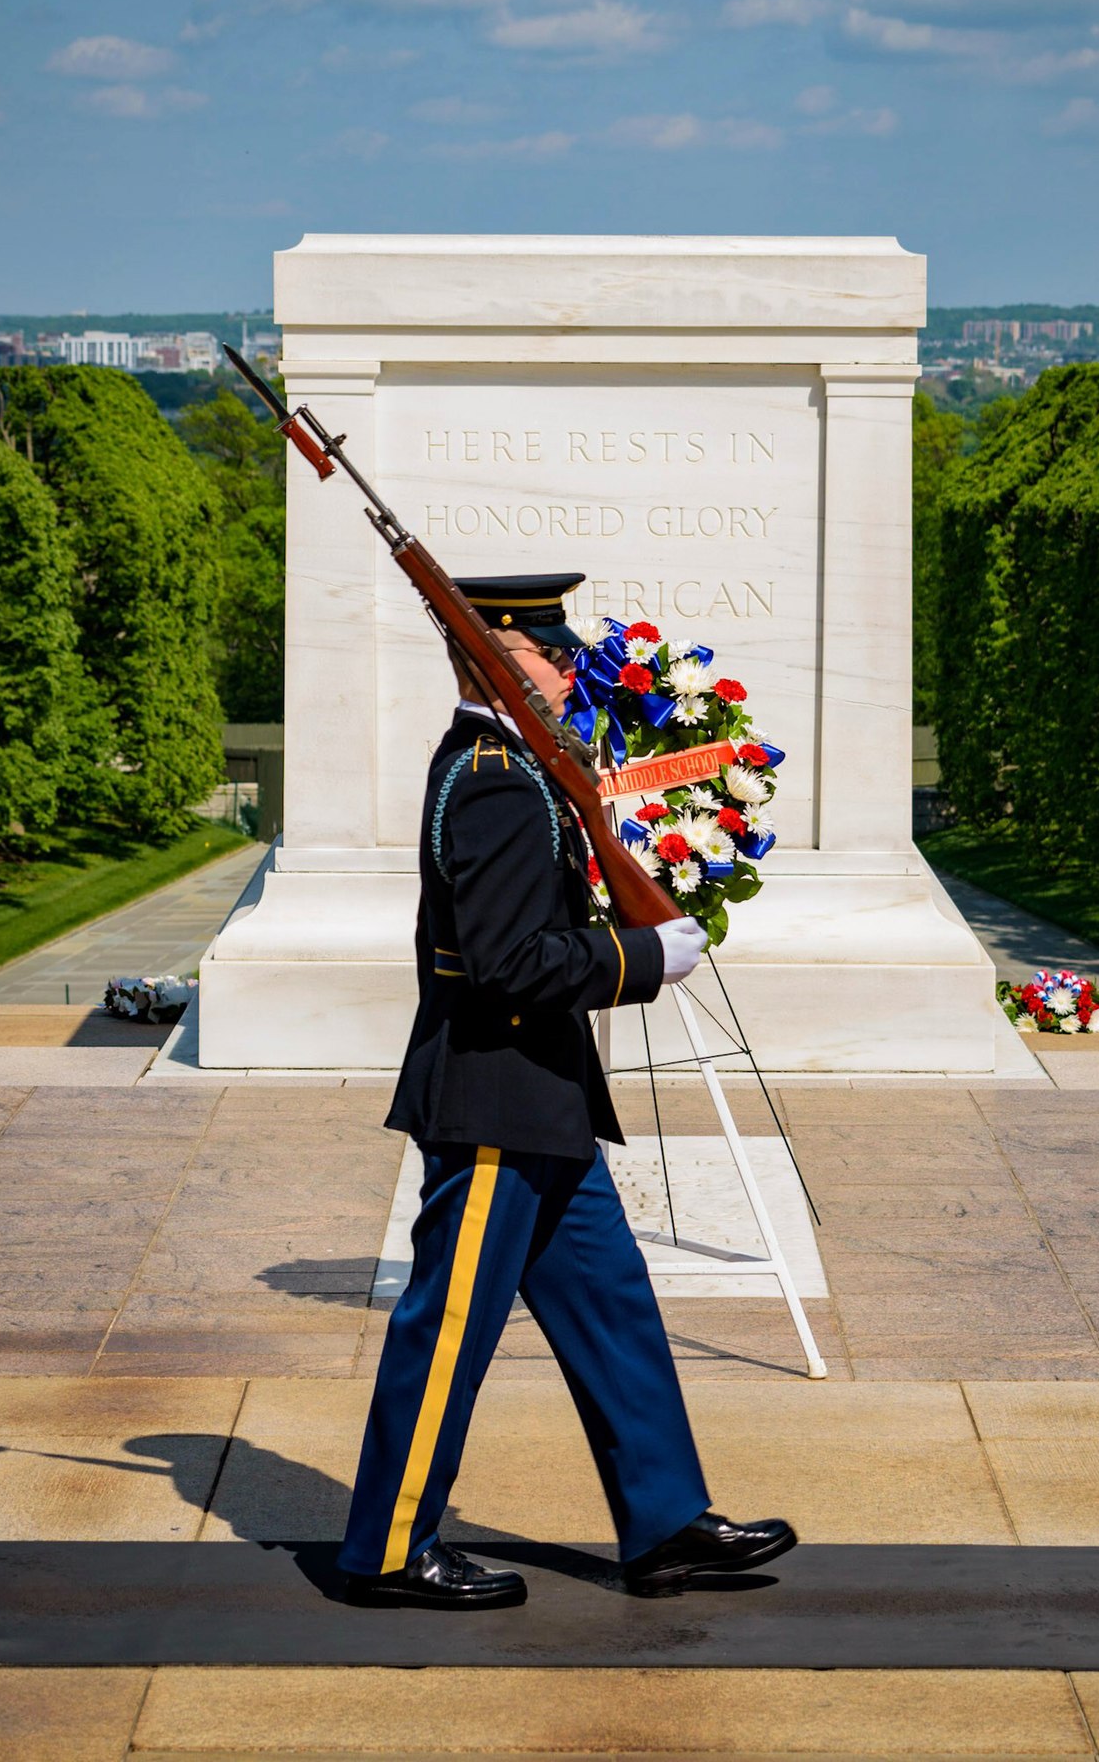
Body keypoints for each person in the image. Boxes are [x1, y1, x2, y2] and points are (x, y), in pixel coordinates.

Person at [338, 571, 797, 1608]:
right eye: (549, 655)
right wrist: (641, 960)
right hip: (497, 1094)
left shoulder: (518, 766)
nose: (567, 669)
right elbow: (509, 962)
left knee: (614, 1308)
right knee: (449, 1326)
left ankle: (665, 1521)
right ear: (499, 660)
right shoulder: (498, 777)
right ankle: (388, 1548)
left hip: (539, 1094)